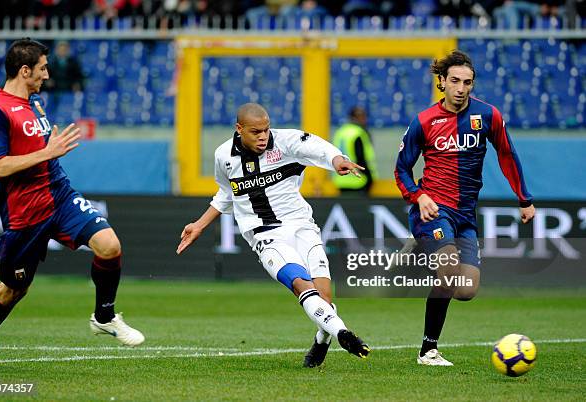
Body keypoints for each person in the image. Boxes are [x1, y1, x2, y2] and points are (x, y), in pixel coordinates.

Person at [0, 39, 144, 376]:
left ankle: (104, 316)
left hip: (59, 194)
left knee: (109, 246)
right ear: (25, 71)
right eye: (42, 69)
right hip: (25, 212)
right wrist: (47, 152)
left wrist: (49, 154)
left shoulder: (35, 102)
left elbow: (41, 149)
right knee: (14, 289)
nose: (47, 75)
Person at [177, 102, 370, 368]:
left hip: (303, 226)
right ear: (239, 129)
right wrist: (200, 224)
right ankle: (343, 334)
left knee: (324, 299)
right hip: (265, 235)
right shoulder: (223, 156)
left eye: (266, 130)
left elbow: (317, 147)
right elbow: (226, 194)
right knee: (302, 285)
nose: (263, 136)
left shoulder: (286, 141)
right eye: (255, 132)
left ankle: (321, 340)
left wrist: (337, 160)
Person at [394, 50, 535, 366]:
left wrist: (524, 199)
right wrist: (418, 196)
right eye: (454, 81)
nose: (461, 88)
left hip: (465, 214)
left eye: (467, 82)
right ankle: (428, 351)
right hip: (432, 208)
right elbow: (401, 168)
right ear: (442, 82)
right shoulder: (424, 121)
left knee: (466, 289)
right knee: (447, 268)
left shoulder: (488, 116)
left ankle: (421, 247)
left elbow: (507, 155)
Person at [332, 106, 378, 196]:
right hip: (358, 181)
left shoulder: (340, 132)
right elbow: (360, 158)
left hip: (341, 180)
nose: (364, 120)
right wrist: (369, 178)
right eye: (362, 117)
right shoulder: (358, 133)